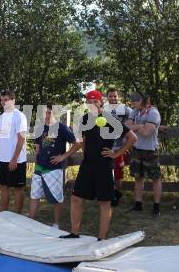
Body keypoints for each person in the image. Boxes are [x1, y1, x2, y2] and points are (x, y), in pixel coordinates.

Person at [60, 90, 137, 240]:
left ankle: (102, 238)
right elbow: (84, 140)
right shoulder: (85, 119)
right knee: (76, 198)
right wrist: (84, 153)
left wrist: (116, 153)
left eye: (95, 101)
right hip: (87, 165)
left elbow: (132, 138)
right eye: (90, 101)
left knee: (104, 202)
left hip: (104, 166)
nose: (93, 104)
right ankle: (75, 233)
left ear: (101, 101)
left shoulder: (110, 118)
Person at [30, 103, 78, 229]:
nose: (46, 115)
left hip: (54, 168)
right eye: (44, 113)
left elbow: (77, 144)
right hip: (39, 167)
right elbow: (38, 146)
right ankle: (31, 222)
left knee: (57, 198)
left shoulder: (61, 128)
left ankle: (56, 224)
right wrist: (37, 158)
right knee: (34, 195)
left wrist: (63, 156)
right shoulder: (39, 128)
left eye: (49, 112)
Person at [125, 92, 162, 217]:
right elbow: (126, 125)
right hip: (136, 149)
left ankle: (156, 206)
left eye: (136, 100)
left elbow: (146, 133)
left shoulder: (153, 113)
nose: (133, 102)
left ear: (143, 100)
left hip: (150, 150)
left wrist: (134, 126)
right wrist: (140, 125)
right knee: (138, 177)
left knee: (155, 179)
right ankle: (138, 204)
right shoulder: (136, 111)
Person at [0, 90, 28, 213]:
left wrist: (14, 159)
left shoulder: (20, 116)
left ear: (13, 100)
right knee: (3, 187)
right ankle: (3, 214)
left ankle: (17, 216)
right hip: (2, 159)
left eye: (5, 99)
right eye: (1, 100)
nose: (3, 102)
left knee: (18, 188)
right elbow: (0, 137)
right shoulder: (1, 117)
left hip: (16, 159)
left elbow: (21, 138)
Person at [103, 88, 132, 206]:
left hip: (120, 146)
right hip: (106, 146)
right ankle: (108, 194)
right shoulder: (104, 110)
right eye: (110, 96)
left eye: (115, 96)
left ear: (118, 97)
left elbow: (134, 119)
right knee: (106, 172)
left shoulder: (125, 109)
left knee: (118, 172)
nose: (113, 98)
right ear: (107, 97)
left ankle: (117, 194)